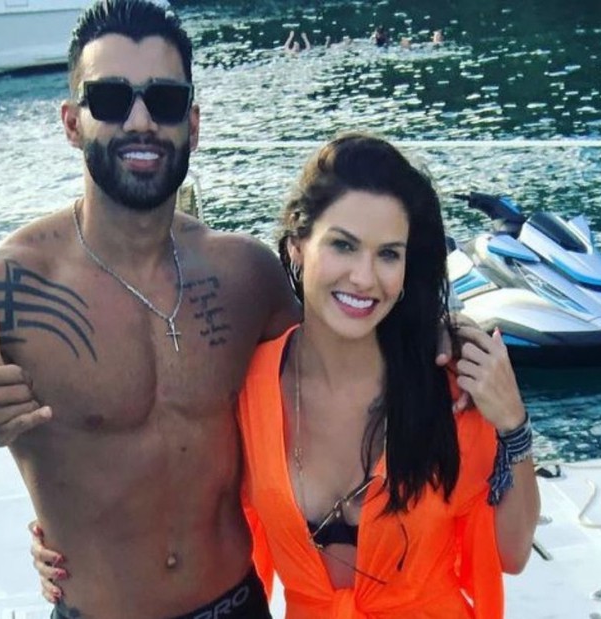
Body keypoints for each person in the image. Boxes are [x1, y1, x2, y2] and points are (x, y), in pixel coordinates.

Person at [0, 2, 459, 618]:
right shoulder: (1, 291)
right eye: (109, 99)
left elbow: (350, 341)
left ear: (192, 122)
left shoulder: (246, 276)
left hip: (236, 605)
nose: (140, 121)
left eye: (163, 100)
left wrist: (447, 337)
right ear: (72, 122)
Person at [32, 135, 541, 617]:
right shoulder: (250, 385)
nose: (364, 277)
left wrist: (513, 425)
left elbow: (512, 553)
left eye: (388, 254)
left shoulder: (446, 382)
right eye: (343, 246)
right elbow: (176, 491)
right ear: (298, 246)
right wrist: (69, 542)